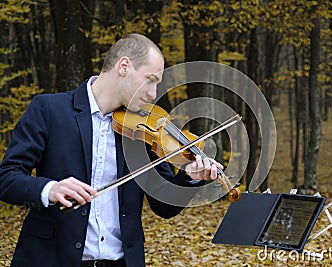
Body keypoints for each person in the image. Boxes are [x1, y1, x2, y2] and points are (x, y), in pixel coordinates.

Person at [0, 33, 222, 267]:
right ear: (124, 66)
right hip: (53, 259)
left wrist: (189, 178)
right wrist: (50, 189)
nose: (153, 94)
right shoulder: (50, 110)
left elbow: (163, 206)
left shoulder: (141, 129)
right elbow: (6, 177)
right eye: (150, 80)